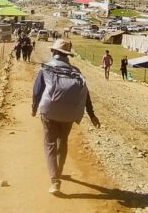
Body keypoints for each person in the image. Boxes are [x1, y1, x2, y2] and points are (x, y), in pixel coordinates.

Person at [32, 39, 100, 194]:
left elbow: (37, 91)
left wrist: (34, 108)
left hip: (49, 111)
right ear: (67, 55)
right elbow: (85, 94)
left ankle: (55, 182)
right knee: (63, 141)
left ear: (53, 52)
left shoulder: (46, 69)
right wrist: (92, 115)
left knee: (50, 145)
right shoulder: (76, 72)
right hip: (70, 114)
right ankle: (59, 171)